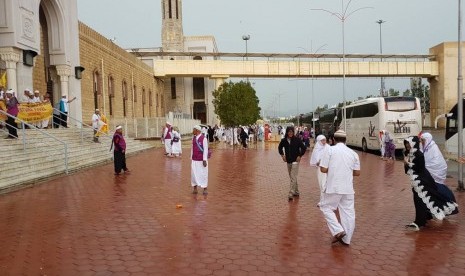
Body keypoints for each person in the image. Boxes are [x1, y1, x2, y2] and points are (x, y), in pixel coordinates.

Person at [403, 136, 458, 231]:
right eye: (407, 145)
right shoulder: (410, 154)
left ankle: (419, 222)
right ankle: (423, 219)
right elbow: (408, 171)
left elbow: (419, 168)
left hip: (423, 181)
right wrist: (406, 164)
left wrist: (407, 163)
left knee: (422, 200)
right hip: (417, 182)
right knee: (421, 201)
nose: (407, 146)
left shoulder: (419, 154)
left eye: (409, 144)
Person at [319, 130, 360, 245]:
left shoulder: (330, 150)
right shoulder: (353, 153)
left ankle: (338, 230)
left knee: (325, 207)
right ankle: (347, 240)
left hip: (334, 186)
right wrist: (345, 170)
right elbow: (357, 172)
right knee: (348, 213)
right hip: (348, 188)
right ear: (345, 140)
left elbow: (323, 169)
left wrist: (334, 169)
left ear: (334, 139)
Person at [419, 132, 456, 202]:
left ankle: (449, 199)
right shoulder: (424, 147)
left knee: (438, 186)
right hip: (430, 171)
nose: (421, 142)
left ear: (428, 139)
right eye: (421, 140)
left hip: (437, 171)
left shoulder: (433, 147)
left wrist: (426, 167)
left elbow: (436, 162)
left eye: (423, 140)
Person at [278, 126, 307, 201]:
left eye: (292, 132)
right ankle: (296, 191)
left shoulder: (297, 140)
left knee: (293, 177)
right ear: (287, 132)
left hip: (295, 161)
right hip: (288, 161)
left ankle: (291, 193)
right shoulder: (284, 140)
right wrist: (282, 155)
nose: (290, 133)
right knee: (292, 177)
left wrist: (300, 156)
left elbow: (304, 148)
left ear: (293, 132)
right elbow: (279, 148)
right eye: (289, 132)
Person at [310, 134, 330, 206]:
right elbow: (315, 159)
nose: (324, 142)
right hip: (320, 169)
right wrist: (318, 162)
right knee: (321, 184)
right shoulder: (317, 148)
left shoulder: (328, 147)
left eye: (325, 140)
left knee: (325, 184)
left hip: (328, 169)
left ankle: (326, 201)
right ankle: (323, 200)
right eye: (322, 140)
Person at [191, 125, 209, 195]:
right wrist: (191, 157)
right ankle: (195, 188)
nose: (193, 131)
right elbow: (192, 148)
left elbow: (205, 150)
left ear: (197, 130)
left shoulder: (203, 138)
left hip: (201, 160)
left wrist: (204, 159)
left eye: (194, 130)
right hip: (194, 159)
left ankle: (205, 188)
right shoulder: (193, 138)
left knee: (203, 174)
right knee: (193, 174)